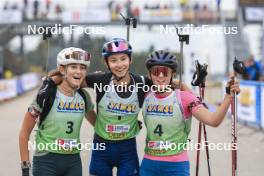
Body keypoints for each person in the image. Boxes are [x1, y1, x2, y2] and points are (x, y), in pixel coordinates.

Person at [36, 38, 190, 176]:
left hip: (127, 148)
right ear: (106, 63)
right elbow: (72, 80)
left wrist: (182, 86)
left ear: (130, 60)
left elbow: (167, 83)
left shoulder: (142, 83)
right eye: (114, 60)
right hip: (102, 147)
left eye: (123, 59)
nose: (119, 64)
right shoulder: (100, 80)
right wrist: (50, 81)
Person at [140, 50, 240, 176]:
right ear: (150, 75)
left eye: (165, 72)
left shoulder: (184, 97)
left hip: (176, 166)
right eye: (156, 71)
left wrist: (228, 97)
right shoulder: (145, 95)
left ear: (173, 74)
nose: (160, 76)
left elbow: (213, 120)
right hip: (148, 164)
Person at [19, 47, 96, 176]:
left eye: (82, 68)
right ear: (62, 69)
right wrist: (25, 168)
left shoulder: (83, 97)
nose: (79, 71)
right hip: (46, 162)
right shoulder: (46, 94)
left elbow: (99, 125)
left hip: (73, 162)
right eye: (73, 67)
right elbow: (24, 133)